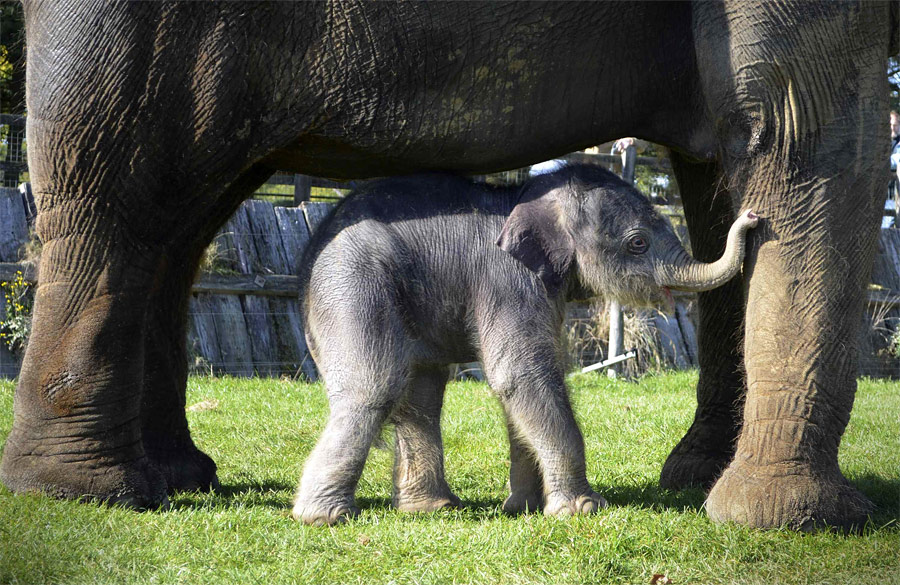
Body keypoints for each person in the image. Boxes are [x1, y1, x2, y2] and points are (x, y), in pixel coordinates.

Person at [888, 111, 900, 226]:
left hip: (894, 196)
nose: (892, 128)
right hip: (880, 193)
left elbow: (895, 161)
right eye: (890, 125)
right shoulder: (883, 142)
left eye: (895, 125)